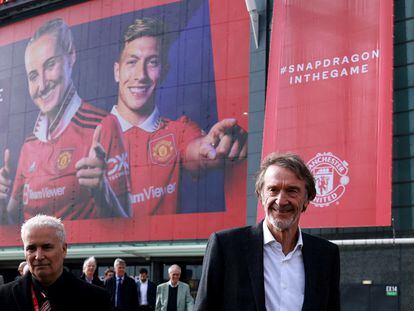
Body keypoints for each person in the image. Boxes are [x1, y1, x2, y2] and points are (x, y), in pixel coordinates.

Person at [111, 17, 247, 215]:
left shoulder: (179, 131)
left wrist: (213, 147)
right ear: (117, 71)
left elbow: (198, 150)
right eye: (132, 62)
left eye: (152, 62)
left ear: (164, 72)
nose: (140, 75)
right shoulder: (88, 135)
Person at [0, 18, 130, 224]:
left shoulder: (103, 126)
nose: (42, 84)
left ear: (71, 56)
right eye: (33, 76)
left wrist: (102, 192)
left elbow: (128, 227)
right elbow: (11, 226)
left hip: (78, 256)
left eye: (50, 65)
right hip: (35, 255)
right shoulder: (29, 145)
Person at [195, 153, 341, 311]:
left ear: (306, 200)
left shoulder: (326, 255)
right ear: (261, 197)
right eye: (273, 190)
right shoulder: (226, 246)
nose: (281, 201)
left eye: (292, 191)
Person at [0, 214, 111, 310]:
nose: (38, 256)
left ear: (64, 249)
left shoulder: (96, 298)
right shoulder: (4, 296)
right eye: (31, 248)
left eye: (47, 247)